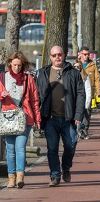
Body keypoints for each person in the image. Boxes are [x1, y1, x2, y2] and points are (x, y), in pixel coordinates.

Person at [36, 46, 85, 187]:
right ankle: (55, 175)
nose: (57, 57)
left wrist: (78, 115)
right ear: (50, 57)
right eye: (54, 55)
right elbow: (37, 96)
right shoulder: (42, 73)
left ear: (64, 55)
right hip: (50, 118)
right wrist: (37, 117)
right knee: (52, 148)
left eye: (59, 54)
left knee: (70, 145)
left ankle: (66, 168)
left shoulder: (74, 73)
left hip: (68, 118)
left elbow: (81, 94)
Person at [0, 51, 41, 189]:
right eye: (15, 64)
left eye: (20, 65)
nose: (17, 67)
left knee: (20, 147)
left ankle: (20, 177)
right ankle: (11, 178)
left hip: (25, 117)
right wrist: (1, 95)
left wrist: (37, 119)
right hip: (8, 118)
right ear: (10, 63)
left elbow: (35, 99)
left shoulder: (28, 79)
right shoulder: (2, 78)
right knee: (10, 149)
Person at [79, 46, 100, 129]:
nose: (86, 56)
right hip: (79, 91)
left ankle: (85, 129)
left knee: (87, 111)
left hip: (89, 92)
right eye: (84, 54)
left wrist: (98, 92)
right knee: (79, 110)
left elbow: (97, 79)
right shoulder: (76, 64)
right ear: (80, 54)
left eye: (88, 54)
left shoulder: (92, 65)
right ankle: (78, 127)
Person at [73, 59, 92, 139]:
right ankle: (76, 131)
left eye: (78, 66)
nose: (77, 68)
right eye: (75, 66)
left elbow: (88, 89)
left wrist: (87, 102)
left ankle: (83, 131)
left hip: (83, 100)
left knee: (85, 116)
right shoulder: (71, 76)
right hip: (74, 100)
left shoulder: (85, 76)